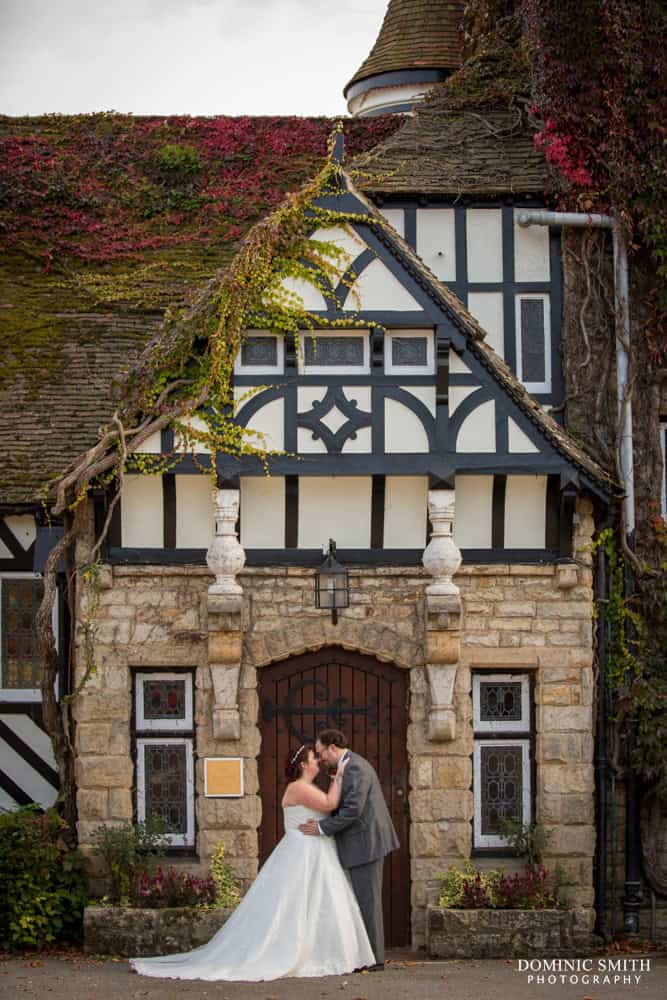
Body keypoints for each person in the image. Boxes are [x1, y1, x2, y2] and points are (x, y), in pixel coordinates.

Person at [129, 744, 375, 981]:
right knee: (296, 904)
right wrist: (339, 776)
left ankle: (320, 950)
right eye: (313, 759)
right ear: (303, 765)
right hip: (304, 851)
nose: (318, 762)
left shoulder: (304, 787)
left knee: (314, 903)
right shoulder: (299, 787)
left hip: (315, 851)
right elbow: (329, 804)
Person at [299, 729, 399, 971]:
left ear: (333, 747)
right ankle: (366, 956)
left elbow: (353, 810)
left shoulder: (356, 767)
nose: (321, 759)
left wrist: (322, 827)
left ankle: (375, 960)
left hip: (366, 843)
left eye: (321, 753)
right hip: (362, 843)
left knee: (368, 901)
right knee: (364, 900)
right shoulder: (348, 766)